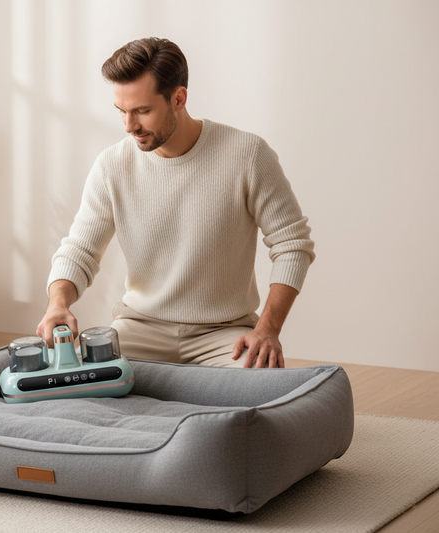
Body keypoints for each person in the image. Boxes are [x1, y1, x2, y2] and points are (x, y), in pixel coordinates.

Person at [36, 37, 315, 369]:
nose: (129, 126)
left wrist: (268, 329)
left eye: (142, 111)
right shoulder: (111, 166)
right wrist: (57, 304)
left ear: (178, 98)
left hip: (224, 335)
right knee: (80, 380)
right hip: (139, 329)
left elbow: (293, 245)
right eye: (122, 111)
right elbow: (79, 251)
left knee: (259, 389)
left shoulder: (247, 155)